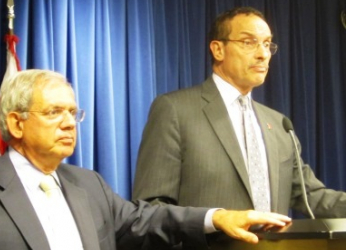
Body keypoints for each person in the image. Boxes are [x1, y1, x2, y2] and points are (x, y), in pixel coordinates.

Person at [0, 69, 290, 250]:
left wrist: (220, 216)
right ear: (17, 123)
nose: (69, 122)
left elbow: (146, 220)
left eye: (72, 112)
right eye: (54, 112)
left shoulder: (88, 184)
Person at [133, 6, 346, 220]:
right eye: (249, 42)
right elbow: (151, 209)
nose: (263, 54)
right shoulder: (175, 111)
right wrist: (213, 221)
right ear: (218, 50)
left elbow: (313, 196)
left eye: (266, 44)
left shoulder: (279, 124)